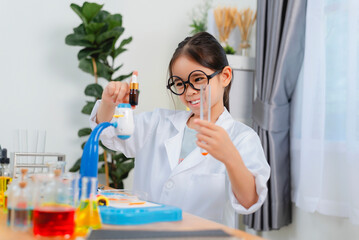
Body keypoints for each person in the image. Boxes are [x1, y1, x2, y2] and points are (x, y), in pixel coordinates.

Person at [90, 32, 270, 227]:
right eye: (179, 83)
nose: (189, 91)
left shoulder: (242, 138)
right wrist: (109, 103)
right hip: (146, 233)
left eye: (198, 79)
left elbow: (249, 201)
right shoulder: (157, 123)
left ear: (225, 76)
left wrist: (230, 156)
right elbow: (107, 134)